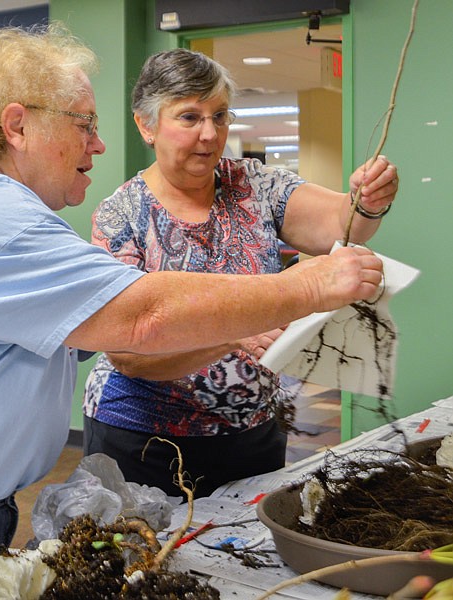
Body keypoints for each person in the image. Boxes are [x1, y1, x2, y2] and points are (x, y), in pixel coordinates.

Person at [0, 24, 386, 598]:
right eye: (83, 124)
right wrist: (307, 287)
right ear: (17, 126)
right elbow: (140, 320)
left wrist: (239, 325)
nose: (98, 143)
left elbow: (98, 329)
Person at [82, 48, 399, 498]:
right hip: (143, 438)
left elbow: (342, 223)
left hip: (252, 428)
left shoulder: (254, 184)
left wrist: (369, 199)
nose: (210, 134)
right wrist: (231, 333)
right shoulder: (122, 215)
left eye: (220, 115)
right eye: (189, 118)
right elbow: (127, 352)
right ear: (146, 125)